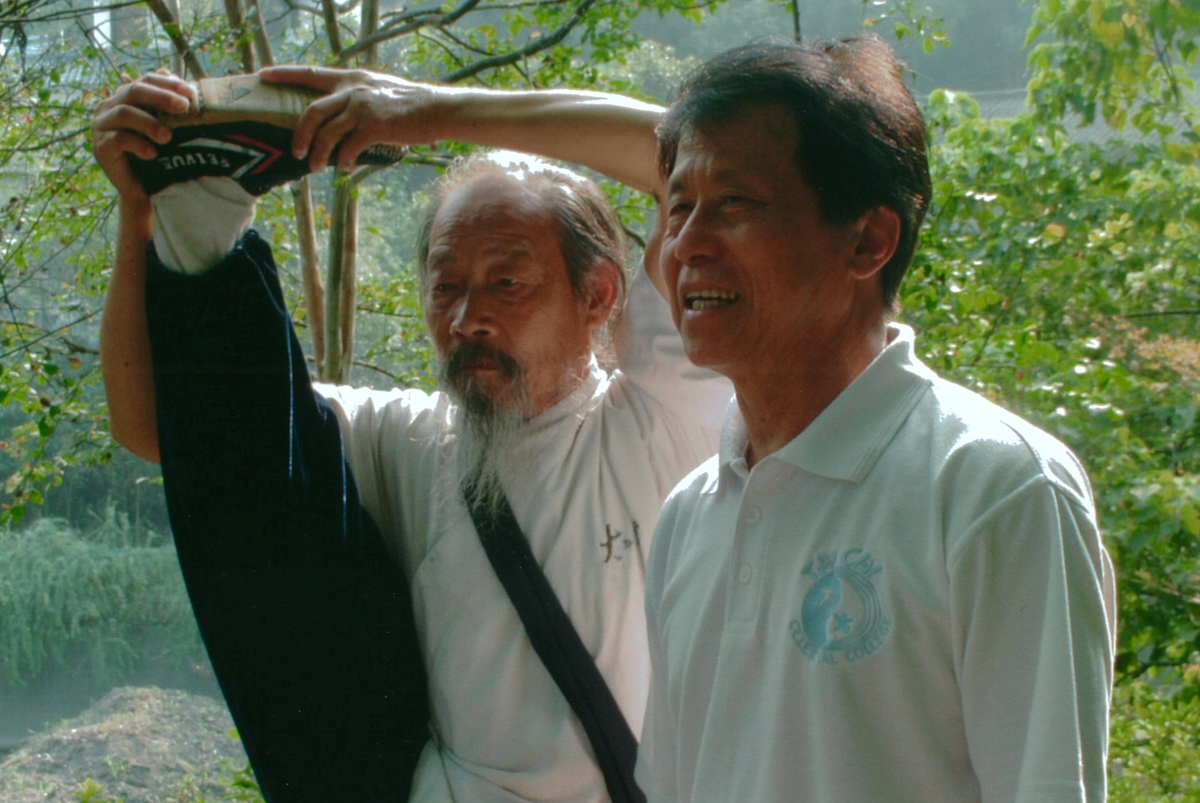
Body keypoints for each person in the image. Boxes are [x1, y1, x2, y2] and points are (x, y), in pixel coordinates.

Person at [92, 69, 729, 802]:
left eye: (506, 283)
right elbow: (175, 430)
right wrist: (141, 209)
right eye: (446, 285)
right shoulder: (410, 440)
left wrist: (430, 110)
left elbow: (699, 161)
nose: (467, 320)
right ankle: (198, 210)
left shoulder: (663, 418)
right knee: (245, 430)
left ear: (598, 295)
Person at [634, 37, 1118, 803]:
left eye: (734, 204)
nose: (686, 244)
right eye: (679, 206)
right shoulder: (689, 515)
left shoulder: (997, 488)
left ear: (869, 239)